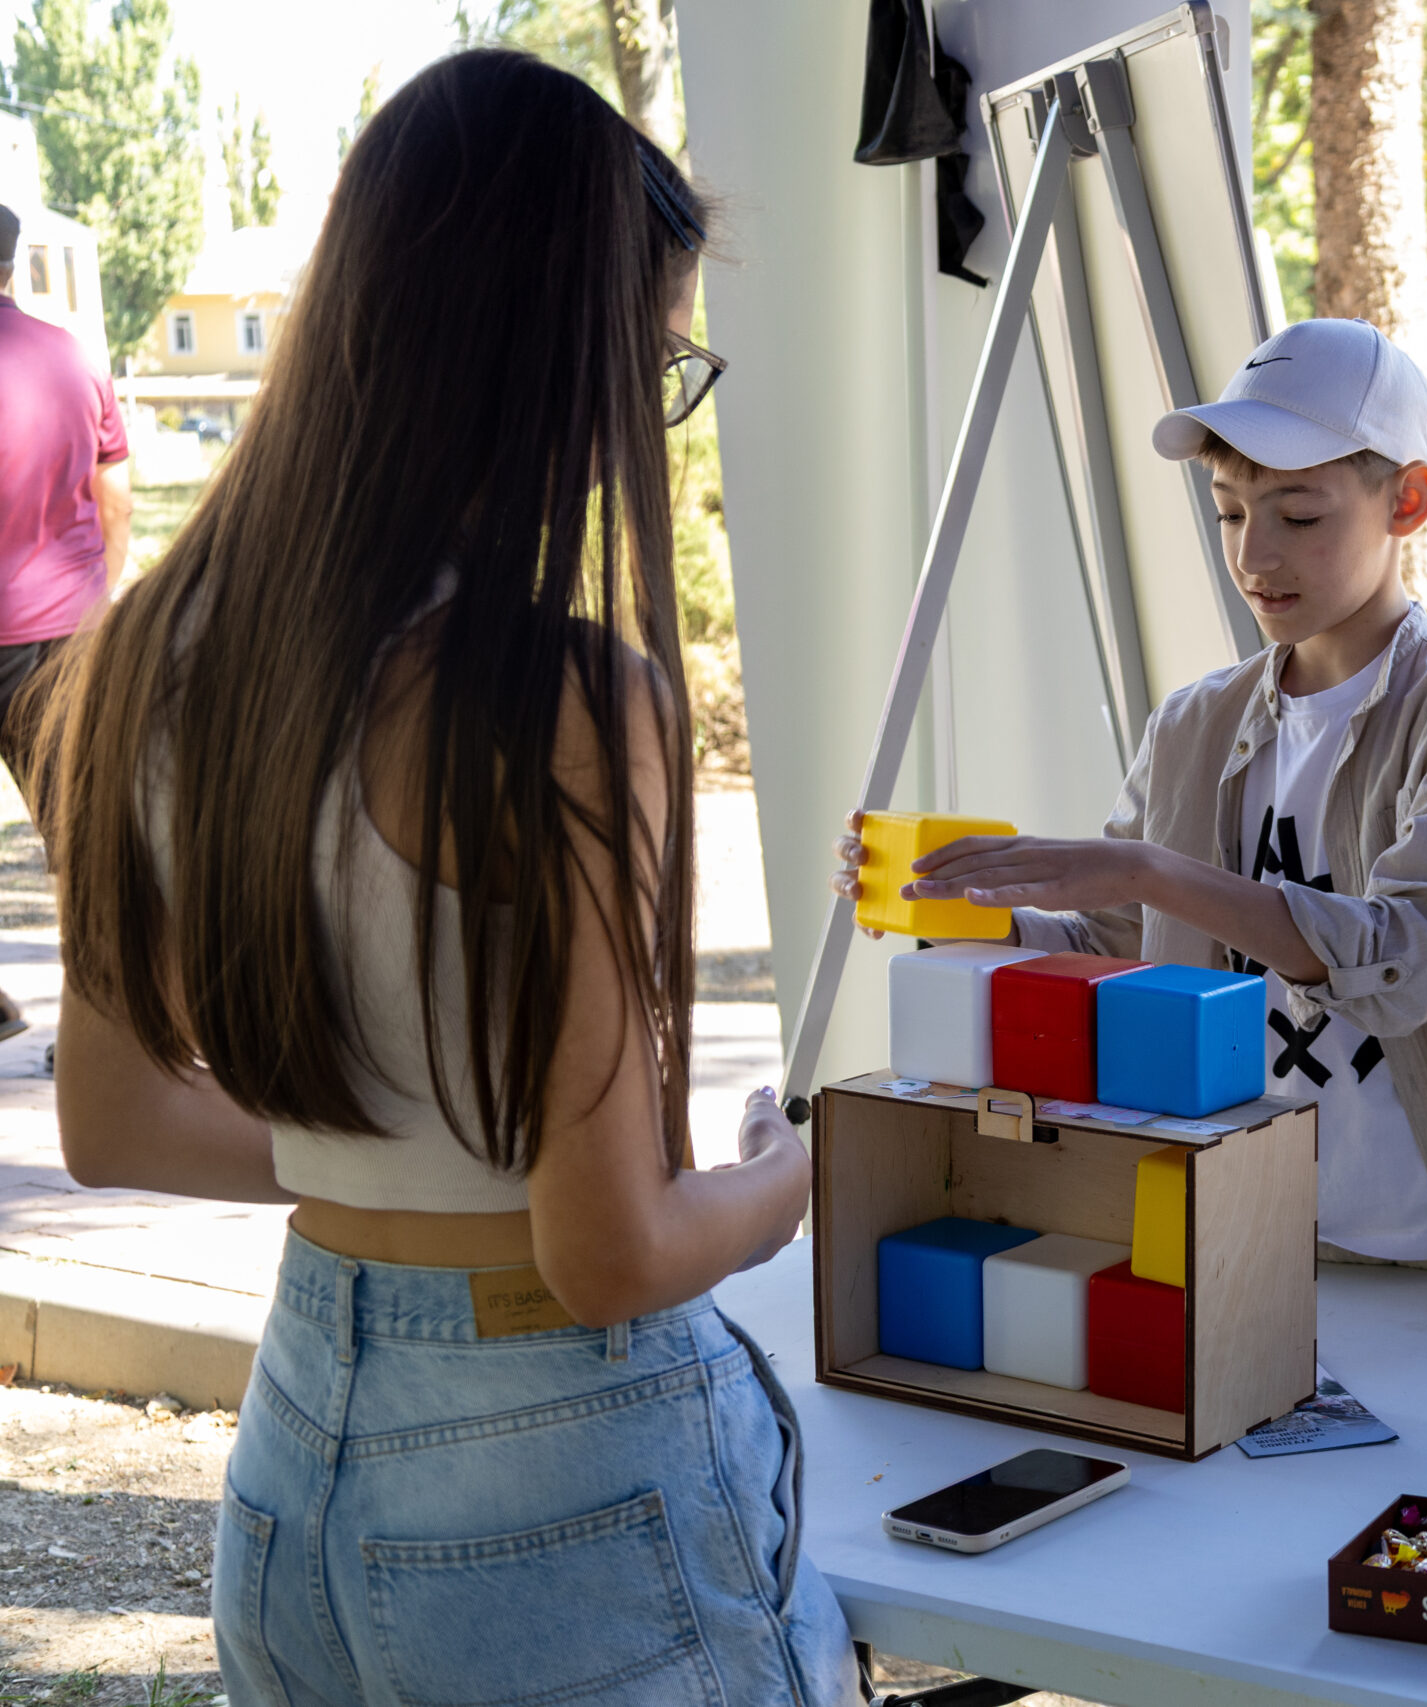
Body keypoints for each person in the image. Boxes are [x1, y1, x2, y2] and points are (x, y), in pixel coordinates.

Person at [44, 53, 852, 1704]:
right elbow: (608, 1252)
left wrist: (379, 1159)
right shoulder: (560, 700)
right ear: (555, 353)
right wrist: (796, 1175)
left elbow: (112, 1121)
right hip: (560, 1474)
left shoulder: (144, 656)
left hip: (298, 1451)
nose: (648, 413)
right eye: (654, 357)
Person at [837, 318, 1427, 1289]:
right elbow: (1123, 945)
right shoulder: (1191, 723)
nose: (1255, 556)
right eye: (1229, 513)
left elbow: (1401, 958)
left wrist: (1147, 869)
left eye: (1300, 516)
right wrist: (969, 907)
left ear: (1407, 501)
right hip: (1229, 1224)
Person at [0, 200, 130, 1046]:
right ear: (12, 265)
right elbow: (116, 497)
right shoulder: (76, 358)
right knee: (77, 832)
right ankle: (97, 1031)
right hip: (60, 632)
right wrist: (96, 598)